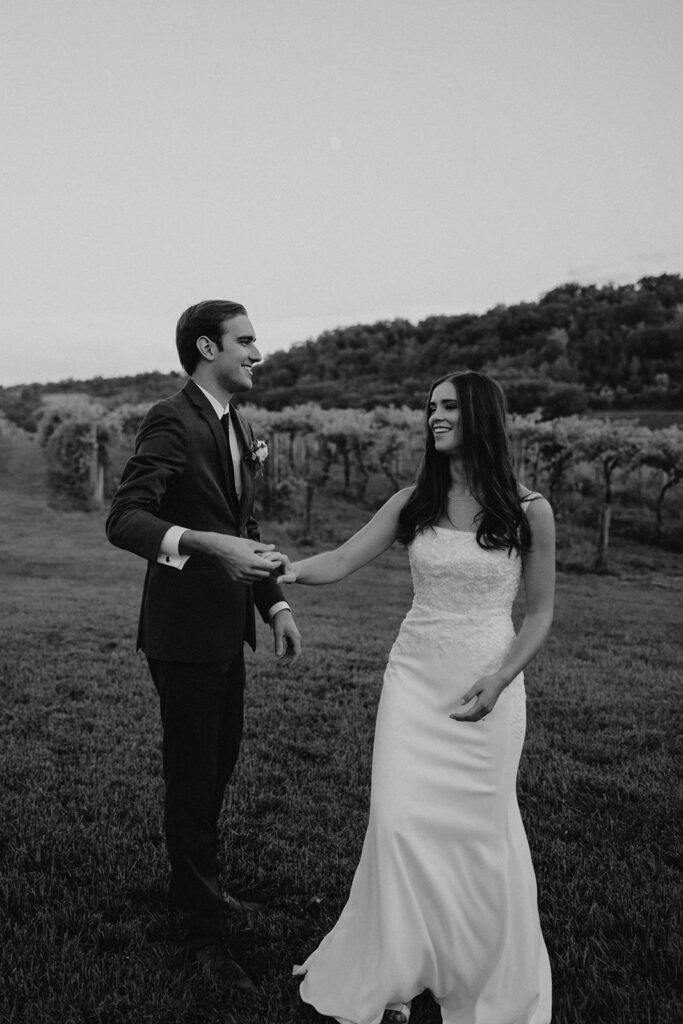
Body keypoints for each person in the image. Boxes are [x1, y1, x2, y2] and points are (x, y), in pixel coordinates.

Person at [281, 370, 554, 1024]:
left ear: (479, 416)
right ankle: (396, 971)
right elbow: (342, 560)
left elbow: (540, 612)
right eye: (429, 406)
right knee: (399, 824)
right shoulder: (412, 501)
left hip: (488, 684)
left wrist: (500, 678)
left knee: (480, 835)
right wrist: (282, 568)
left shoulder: (528, 508)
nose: (433, 417)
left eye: (447, 407)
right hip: (413, 683)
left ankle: (477, 976)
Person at [106, 300, 302, 992]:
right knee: (193, 778)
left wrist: (273, 602)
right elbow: (125, 518)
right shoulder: (171, 417)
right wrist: (198, 544)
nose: (257, 352)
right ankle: (204, 937)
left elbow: (238, 525)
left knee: (219, 763)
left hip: (229, 629)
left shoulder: (236, 424)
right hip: (182, 633)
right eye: (245, 341)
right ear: (205, 346)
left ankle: (197, 889)